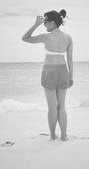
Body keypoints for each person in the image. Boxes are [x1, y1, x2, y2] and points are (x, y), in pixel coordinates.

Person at [22, 9, 73, 141]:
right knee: (61, 105)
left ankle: (52, 135)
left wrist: (35, 25)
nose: (44, 25)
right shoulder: (68, 37)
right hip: (63, 71)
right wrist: (71, 77)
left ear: (51, 23)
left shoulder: (46, 37)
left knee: (52, 106)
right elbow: (70, 59)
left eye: (45, 22)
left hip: (49, 71)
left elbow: (25, 38)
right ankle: (64, 135)